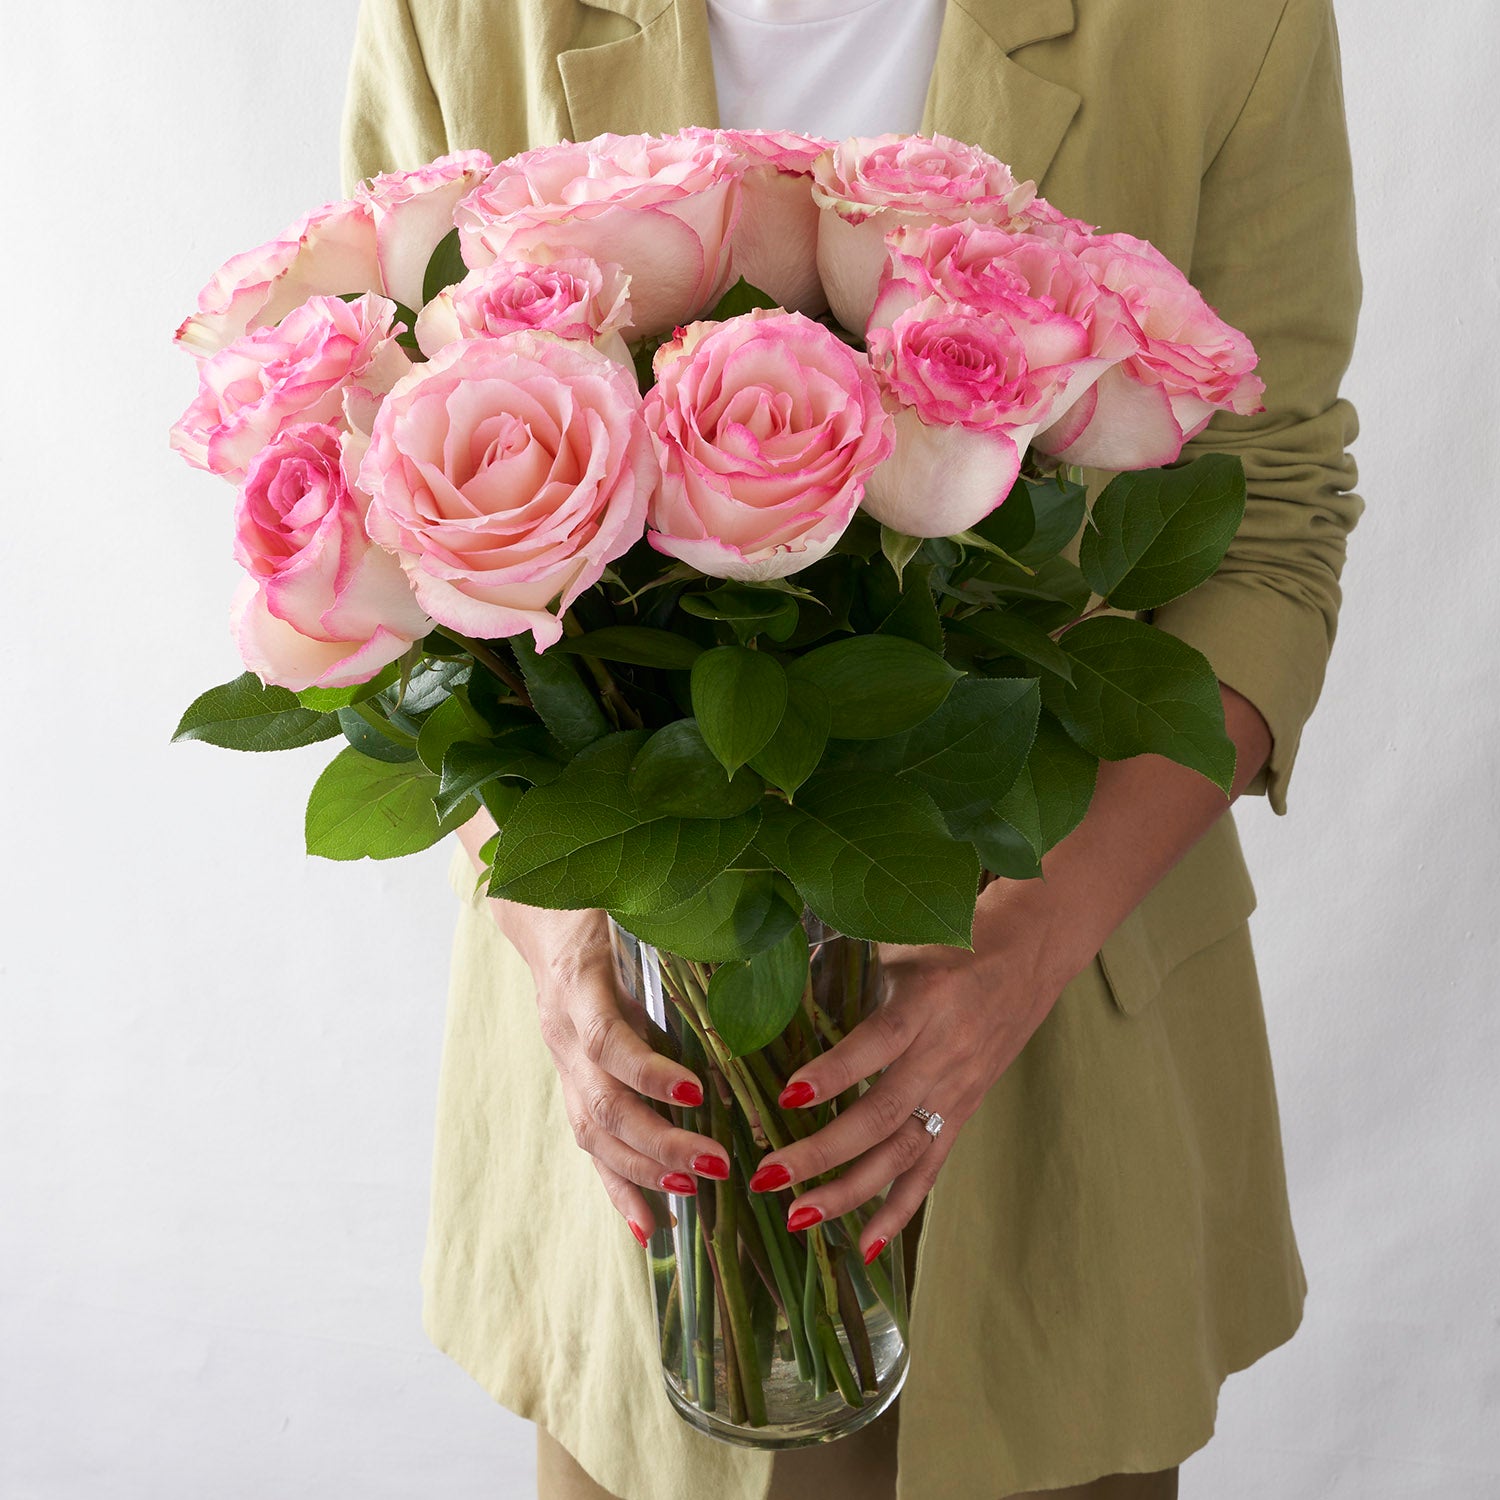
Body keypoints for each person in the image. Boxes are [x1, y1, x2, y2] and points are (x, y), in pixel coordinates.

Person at [339, 1, 1363, 1496]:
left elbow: (1270, 521)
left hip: (1066, 1046)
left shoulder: (1225, 22)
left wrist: (1021, 950)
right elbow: (388, 496)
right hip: (642, 1104)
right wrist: (566, 953)